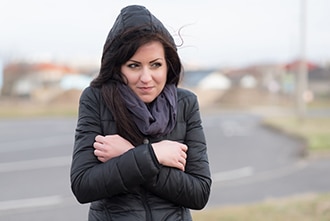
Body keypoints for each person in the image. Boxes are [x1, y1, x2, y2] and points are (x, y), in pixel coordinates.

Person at [70, 5, 211, 221]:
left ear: (168, 65)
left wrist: (132, 153)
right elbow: (83, 185)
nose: (146, 78)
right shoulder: (96, 99)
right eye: (134, 66)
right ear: (117, 67)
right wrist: (155, 156)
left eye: (155, 65)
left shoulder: (186, 103)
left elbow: (199, 193)